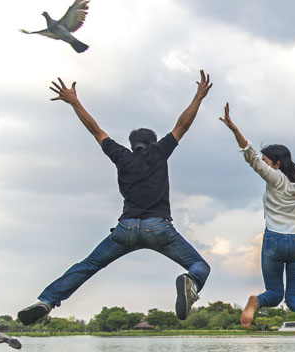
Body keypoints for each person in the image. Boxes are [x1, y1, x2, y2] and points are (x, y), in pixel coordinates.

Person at [17, 71, 214, 325]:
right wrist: (198, 96)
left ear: (132, 145)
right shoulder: (159, 152)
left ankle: (47, 300)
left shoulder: (121, 156)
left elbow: (95, 130)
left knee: (88, 265)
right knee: (199, 265)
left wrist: (75, 102)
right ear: (153, 143)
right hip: (159, 227)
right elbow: (182, 125)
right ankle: (191, 283)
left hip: (126, 229)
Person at [219, 103, 295, 340]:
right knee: (293, 296)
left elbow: (249, 155)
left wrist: (234, 129)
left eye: (266, 160)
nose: (263, 163)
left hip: (273, 240)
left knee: (273, 293)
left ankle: (256, 301)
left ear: (277, 164)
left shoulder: (274, 178)